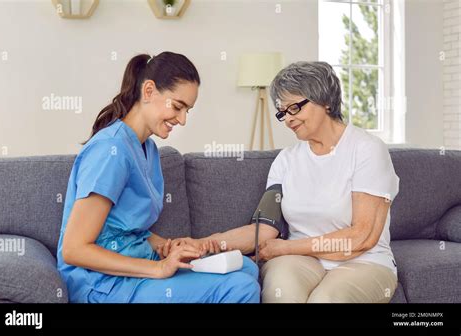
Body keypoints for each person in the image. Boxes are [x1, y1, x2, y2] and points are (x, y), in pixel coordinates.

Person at [179, 61, 400, 303]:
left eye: (294, 108)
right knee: (282, 294)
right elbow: (263, 231)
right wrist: (204, 244)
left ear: (325, 100)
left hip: (364, 262)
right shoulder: (286, 160)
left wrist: (285, 248)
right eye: (282, 112)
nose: (287, 119)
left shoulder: (367, 150)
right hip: (302, 261)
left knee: (326, 300)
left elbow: (361, 238)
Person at [56, 52, 260, 303]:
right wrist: (159, 268)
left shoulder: (148, 149)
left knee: (246, 268)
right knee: (240, 288)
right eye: (177, 106)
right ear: (149, 91)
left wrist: (168, 246)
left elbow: (123, 227)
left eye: (188, 110)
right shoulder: (111, 151)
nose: (183, 120)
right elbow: (74, 250)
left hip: (135, 265)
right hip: (101, 284)